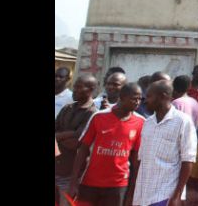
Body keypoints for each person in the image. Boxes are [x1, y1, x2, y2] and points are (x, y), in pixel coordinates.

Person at [68, 83, 145, 206]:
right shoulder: (99, 116)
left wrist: (132, 191)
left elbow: (136, 160)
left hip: (118, 185)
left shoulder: (141, 122)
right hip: (90, 182)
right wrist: (73, 183)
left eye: (140, 99)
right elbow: (82, 150)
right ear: (122, 96)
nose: (137, 102)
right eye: (134, 98)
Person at [131, 80, 197, 206]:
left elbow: (188, 160)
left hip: (166, 195)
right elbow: (140, 159)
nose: (145, 100)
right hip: (143, 194)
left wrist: (177, 195)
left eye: (149, 96)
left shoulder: (182, 122)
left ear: (163, 96)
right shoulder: (147, 123)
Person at [55, 75, 99, 204]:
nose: (74, 90)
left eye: (79, 87)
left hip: (71, 174)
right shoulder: (67, 108)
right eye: (74, 86)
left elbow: (77, 143)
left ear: (90, 90)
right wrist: (70, 134)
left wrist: (58, 137)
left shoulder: (93, 113)